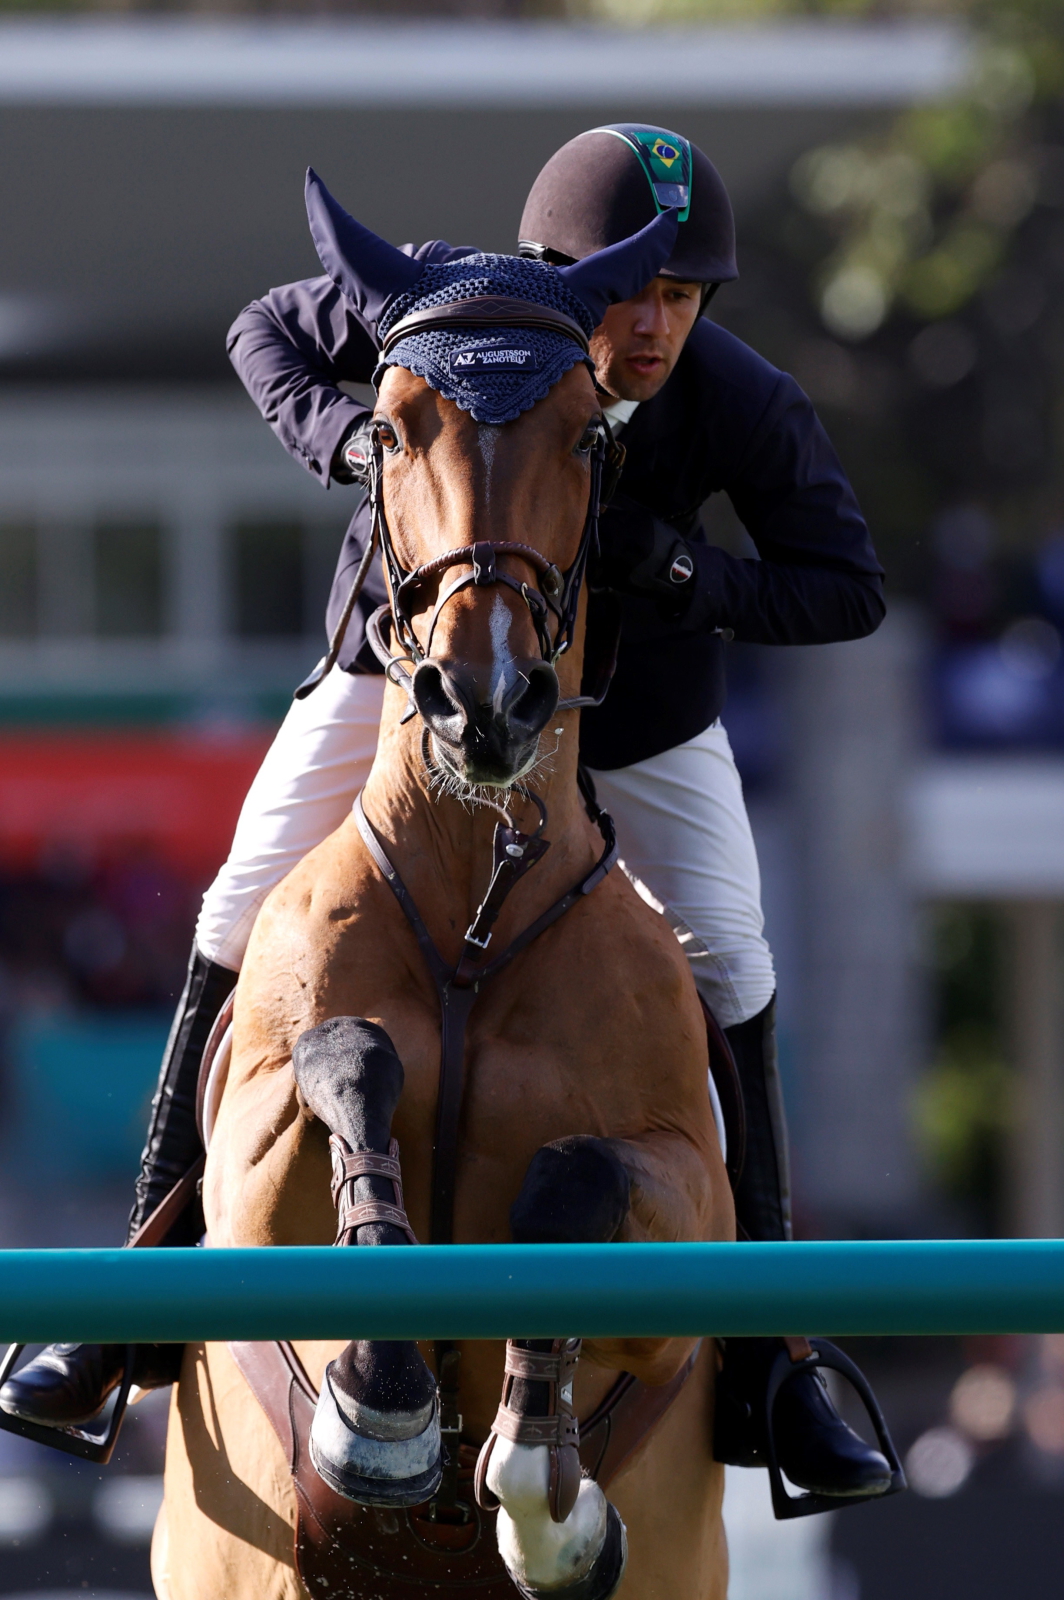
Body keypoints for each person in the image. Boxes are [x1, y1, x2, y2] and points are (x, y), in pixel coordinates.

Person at [0, 126, 892, 1507]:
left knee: (732, 953)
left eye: (680, 296)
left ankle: (773, 1356)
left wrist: (686, 578)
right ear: (558, 271)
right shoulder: (439, 300)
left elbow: (846, 587)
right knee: (237, 900)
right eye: (627, 294)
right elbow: (262, 332)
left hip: (633, 714)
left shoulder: (734, 396)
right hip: (400, 675)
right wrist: (353, 443)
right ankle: (135, 1289)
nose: (650, 324)